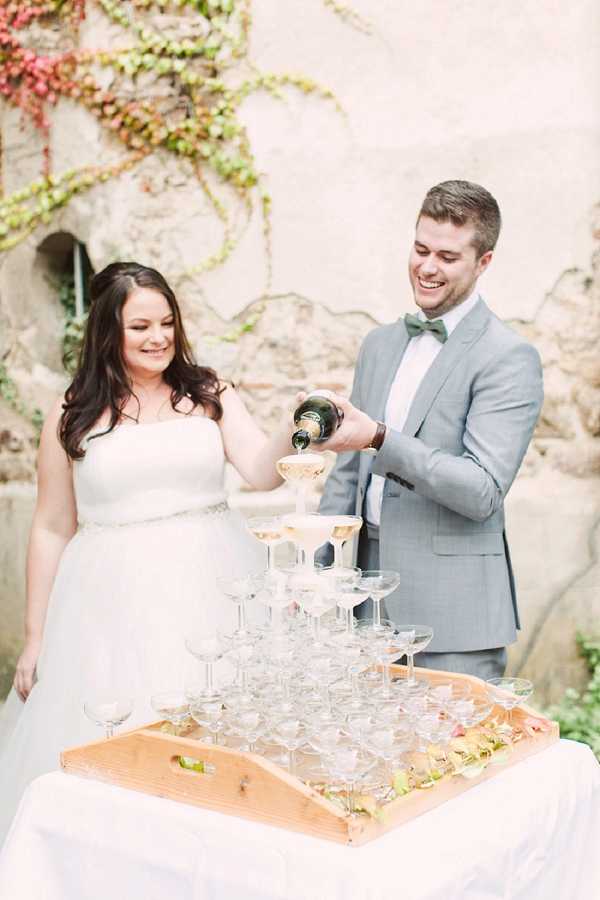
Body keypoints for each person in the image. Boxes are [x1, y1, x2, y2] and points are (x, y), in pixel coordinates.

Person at [0, 262, 290, 840]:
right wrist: (36, 637)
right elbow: (53, 526)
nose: (159, 337)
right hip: (110, 605)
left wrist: (299, 422)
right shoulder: (72, 414)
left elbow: (261, 471)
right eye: (140, 327)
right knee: (122, 746)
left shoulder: (209, 395)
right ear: (109, 332)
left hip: (215, 585)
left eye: (167, 322)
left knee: (228, 740)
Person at [316, 180, 543, 680]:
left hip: (454, 619)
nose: (427, 267)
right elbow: (347, 473)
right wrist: (315, 571)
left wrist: (380, 438)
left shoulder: (509, 357)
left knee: (458, 758)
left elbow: (482, 490)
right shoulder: (378, 344)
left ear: (484, 262)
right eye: (420, 250)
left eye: (447, 256)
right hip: (365, 610)